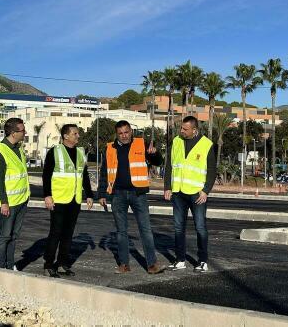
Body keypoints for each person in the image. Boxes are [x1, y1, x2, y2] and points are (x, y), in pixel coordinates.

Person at [98, 120, 166, 274]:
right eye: (120, 133)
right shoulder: (110, 148)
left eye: (126, 132)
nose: (124, 136)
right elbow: (104, 171)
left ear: (131, 132)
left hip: (138, 193)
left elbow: (158, 161)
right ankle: (124, 264)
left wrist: (154, 154)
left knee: (145, 229)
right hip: (117, 194)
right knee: (121, 231)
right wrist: (101, 194)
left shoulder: (142, 144)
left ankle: (152, 265)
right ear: (117, 134)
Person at [164, 115, 215, 273]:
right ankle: (180, 260)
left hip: (197, 194)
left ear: (195, 130)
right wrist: (167, 187)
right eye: (181, 128)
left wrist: (206, 190)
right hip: (178, 192)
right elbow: (170, 166)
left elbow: (212, 170)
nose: (181, 131)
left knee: (200, 227)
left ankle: (202, 261)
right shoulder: (176, 141)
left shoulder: (206, 144)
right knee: (178, 228)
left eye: (185, 129)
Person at [42, 124, 93, 277]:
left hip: (74, 199)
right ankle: (48, 265)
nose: (78, 136)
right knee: (56, 233)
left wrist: (89, 195)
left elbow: (84, 175)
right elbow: (46, 175)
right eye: (75, 133)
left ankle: (63, 263)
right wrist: (47, 195)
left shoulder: (80, 152)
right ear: (66, 136)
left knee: (68, 234)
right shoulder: (55, 152)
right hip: (58, 199)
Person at [0, 117, 30, 270]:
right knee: (3, 237)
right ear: (13, 133)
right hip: (7, 204)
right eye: (22, 130)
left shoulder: (18, 149)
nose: (25, 133)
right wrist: (3, 202)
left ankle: (9, 265)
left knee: (13, 236)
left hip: (21, 201)